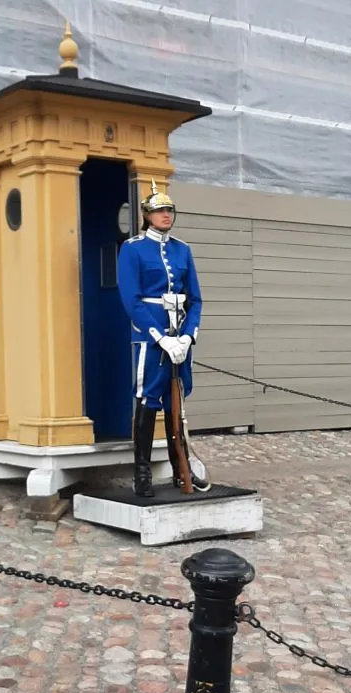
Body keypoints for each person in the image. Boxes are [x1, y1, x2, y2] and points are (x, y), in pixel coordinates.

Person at [117, 179, 211, 498]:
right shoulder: (133, 249)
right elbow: (131, 300)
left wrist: (187, 336)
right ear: (146, 215)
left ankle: (179, 468)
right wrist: (161, 337)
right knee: (148, 400)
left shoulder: (182, 250)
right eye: (159, 211)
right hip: (151, 334)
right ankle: (142, 472)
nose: (166, 215)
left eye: (169, 210)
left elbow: (195, 299)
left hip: (179, 330)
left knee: (177, 401)